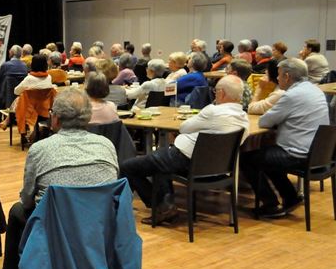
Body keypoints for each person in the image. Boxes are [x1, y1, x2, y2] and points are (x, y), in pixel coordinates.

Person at [0, 89, 118, 269]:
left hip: (55, 230)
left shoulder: (40, 149)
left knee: (17, 212)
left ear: (56, 119)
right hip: (99, 227)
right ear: (87, 117)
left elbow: (27, 200)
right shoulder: (106, 145)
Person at [121, 75, 249, 224]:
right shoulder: (243, 118)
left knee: (127, 167)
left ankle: (160, 206)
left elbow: (184, 127)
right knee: (160, 163)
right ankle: (166, 206)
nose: (214, 94)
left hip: (184, 158)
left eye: (215, 91)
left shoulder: (212, 111)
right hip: (216, 168)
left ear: (221, 93)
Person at [241, 58, 330, 218]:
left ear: (287, 77)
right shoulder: (315, 90)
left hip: (297, 154)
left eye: (280, 75)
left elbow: (264, 121)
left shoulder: (291, 96)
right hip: (318, 154)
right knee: (266, 155)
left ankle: (270, 204)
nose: (278, 78)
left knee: (247, 158)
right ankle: (290, 197)